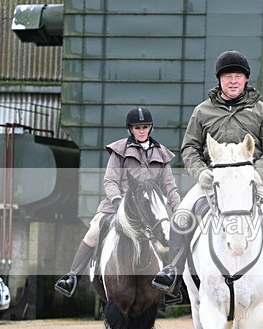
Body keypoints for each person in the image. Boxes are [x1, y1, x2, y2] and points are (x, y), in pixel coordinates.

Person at [151, 50, 263, 301]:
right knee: (183, 215)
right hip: (213, 180)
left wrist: (258, 174)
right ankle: (173, 271)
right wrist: (201, 173)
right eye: (227, 76)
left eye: (237, 76)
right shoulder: (202, 111)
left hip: (252, 179)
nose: (232, 81)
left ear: (246, 79)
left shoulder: (262, 111)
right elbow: (189, 148)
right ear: (219, 80)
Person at [54, 107, 181, 300]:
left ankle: (169, 285)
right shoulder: (119, 150)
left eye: (145, 127)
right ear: (130, 129)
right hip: (119, 205)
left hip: (150, 210)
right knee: (94, 231)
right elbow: (110, 181)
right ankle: (72, 276)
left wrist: (177, 207)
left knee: (167, 237)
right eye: (137, 127)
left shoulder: (162, 153)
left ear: (150, 128)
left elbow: (169, 185)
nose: (141, 131)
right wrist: (117, 201)